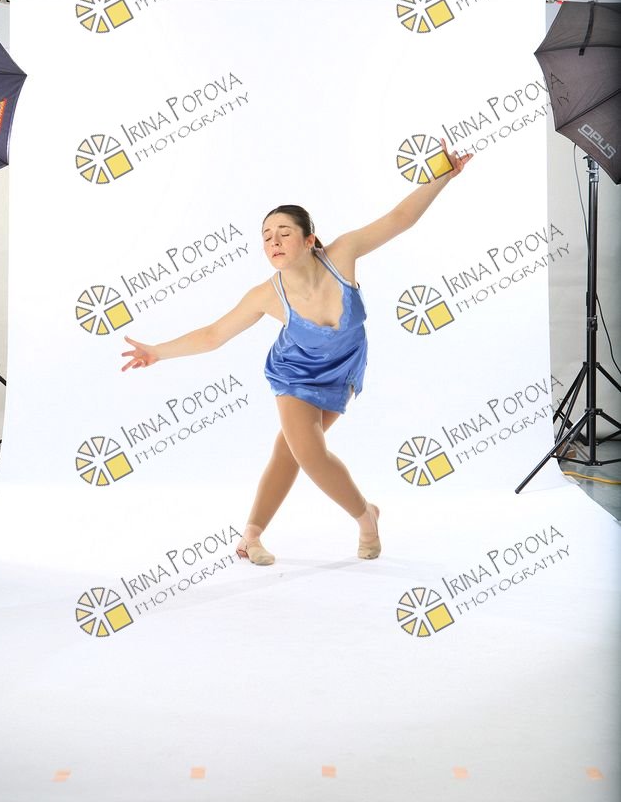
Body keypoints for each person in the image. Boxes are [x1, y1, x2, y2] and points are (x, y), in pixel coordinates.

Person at [121, 139, 472, 566]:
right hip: (294, 373)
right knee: (307, 451)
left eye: (284, 232)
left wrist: (443, 176)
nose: (274, 241)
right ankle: (366, 517)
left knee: (290, 450)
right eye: (266, 236)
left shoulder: (342, 255)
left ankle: (250, 536)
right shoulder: (266, 295)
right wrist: (157, 351)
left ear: (309, 240)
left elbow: (400, 219)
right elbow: (214, 335)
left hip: (343, 369)